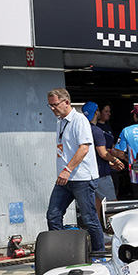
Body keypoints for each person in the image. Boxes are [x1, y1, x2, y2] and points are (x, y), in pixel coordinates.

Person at [44, 90, 103, 253]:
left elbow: (84, 148)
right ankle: (60, 252)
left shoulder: (79, 121)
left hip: (81, 178)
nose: (52, 109)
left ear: (66, 102)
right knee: (53, 215)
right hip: (65, 179)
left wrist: (67, 169)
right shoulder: (60, 122)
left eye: (55, 105)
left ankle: (99, 254)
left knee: (89, 219)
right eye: (50, 105)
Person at [83, 102, 123, 226]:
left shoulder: (83, 129)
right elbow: (102, 153)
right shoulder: (96, 130)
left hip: (88, 173)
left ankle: (98, 230)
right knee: (112, 204)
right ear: (97, 112)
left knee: (96, 204)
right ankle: (116, 230)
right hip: (101, 173)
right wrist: (115, 160)